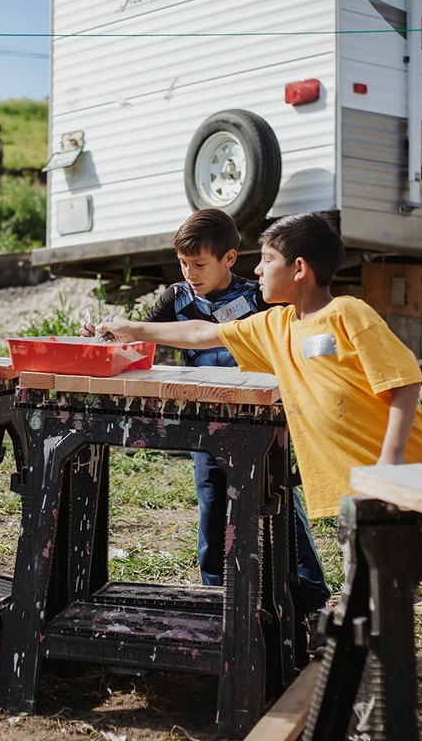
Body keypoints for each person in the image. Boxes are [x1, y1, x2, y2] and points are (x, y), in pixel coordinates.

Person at [98, 212, 422, 734]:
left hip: (419, 481)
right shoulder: (273, 327)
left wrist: (391, 465)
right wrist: (131, 329)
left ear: (299, 268)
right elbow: (203, 331)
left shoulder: (348, 314)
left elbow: (404, 381)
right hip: (357, 500)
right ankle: (373, 725)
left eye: (267, 260)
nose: (257, 269)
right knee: (366, 616)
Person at [87, 208, 331, 647]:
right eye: (183, 263)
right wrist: (108, 337)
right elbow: (141, 340)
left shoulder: (260, 297)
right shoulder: (177, 297)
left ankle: (313, 605)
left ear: (229, 258)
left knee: (281, 509)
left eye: (199, 264)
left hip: (261, 424)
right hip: (205, 427)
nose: (190, 273)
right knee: (213, 507)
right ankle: (215, 600)